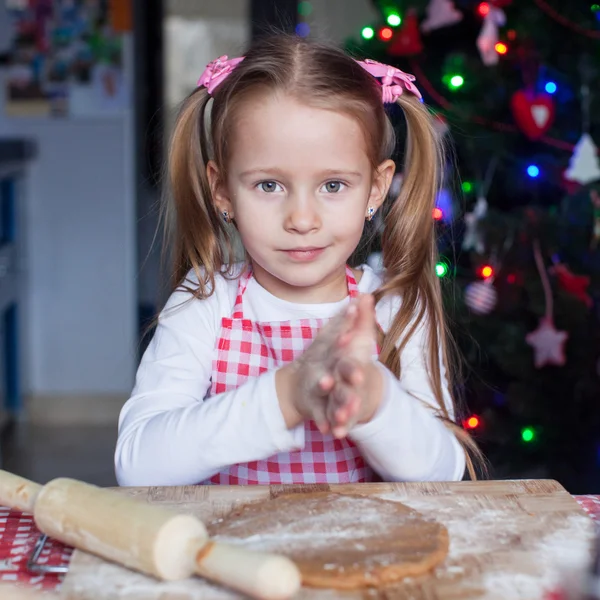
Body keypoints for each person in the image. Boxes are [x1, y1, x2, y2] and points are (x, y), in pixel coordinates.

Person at [115, 34, 480, 487]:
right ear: (223, 190)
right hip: (233, 553)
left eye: (332, 186)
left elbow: (444, 473)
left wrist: (374, 401)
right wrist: (288, 394)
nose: (302, 220)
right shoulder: (205, 302)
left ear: (376, 188)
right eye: (269, 185)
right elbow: (138, 464)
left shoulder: (393, 306)